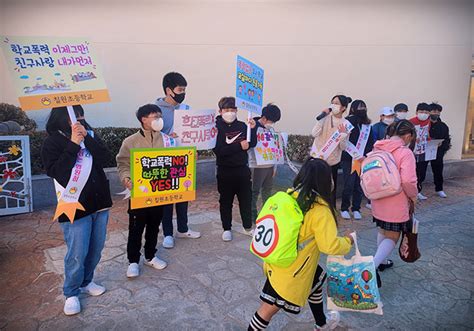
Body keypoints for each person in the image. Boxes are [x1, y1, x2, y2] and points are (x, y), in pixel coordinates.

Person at [248, 158, 354, 331]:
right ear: (324, 181)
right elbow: (330, 246)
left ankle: (321, 323)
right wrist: (348, 241)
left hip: (280, 261)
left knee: (317, 279)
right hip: (291, 271)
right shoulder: (320, 210)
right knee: (267, 310)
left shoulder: (289, 196)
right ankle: (321, 323)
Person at [41, 105, 112, 316]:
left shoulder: (89, 134)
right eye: (76, 116)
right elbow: (58, 173)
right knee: (77, 253)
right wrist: (74, 143)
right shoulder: (52, 142)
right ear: (63, 118)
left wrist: (86, 139)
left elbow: (105, 157)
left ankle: (86, 281)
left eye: (82, 115)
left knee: (96, 248)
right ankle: (71, 292)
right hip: (74, 206)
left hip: (99, 202)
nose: (81, 119)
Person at [116, 104, 168, 278]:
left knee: (154, 225)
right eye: (155, 116)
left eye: (160, 116)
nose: (158, 119)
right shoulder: (130, 141)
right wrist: (126, 178)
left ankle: (150, 255)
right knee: (136, 227)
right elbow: (123, 163)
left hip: (159, 193)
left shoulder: (167, 139)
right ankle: (133, 261)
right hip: (138, 193)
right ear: (143, 119)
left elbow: (179, 159)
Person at [155, 72, 200, 249]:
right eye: (180, 89)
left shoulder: (186, 109)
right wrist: (167, 137)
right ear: (169, 90)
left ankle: (183, 228)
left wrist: (194, 150)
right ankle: (167, 233)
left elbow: (192, 134)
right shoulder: (155, 110)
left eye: (184, 90)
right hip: (165, 160)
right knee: (167, 199)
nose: (183, 93)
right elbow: (150, 136)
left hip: (184, 159)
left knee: (183, 196)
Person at [371, 120, 418, 287]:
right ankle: (372, 267)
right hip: (396, 202)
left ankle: (382, 261)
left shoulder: (378, 147)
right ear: (407, 135)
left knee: (383, 230)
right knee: (393, 236)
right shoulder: (405, 153)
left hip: (377, 198)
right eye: (410, 138)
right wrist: (414, 196)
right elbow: (408, 181)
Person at [213, 96, 257, 241]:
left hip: (242, 170)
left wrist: (253, 129)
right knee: (225, 201)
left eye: (233, 109)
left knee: (246, 199)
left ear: (237, 111)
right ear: (220, 111)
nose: (230, 112)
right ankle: (226, 228)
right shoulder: (215, 128)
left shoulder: (243, 126)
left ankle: (247, 227)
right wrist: (238, 146)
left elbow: (251, 143)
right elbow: (219, 150)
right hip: (225, 170)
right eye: (226, 109)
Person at [311, 95, 352, 206]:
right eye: (332, 102)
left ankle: (330, 211)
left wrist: (343, 136)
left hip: (333, 161)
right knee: (314, 186)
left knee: (331, 188)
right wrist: (322, 118)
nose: (333, 105)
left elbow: (343, 147)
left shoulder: (346, 124)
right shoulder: (325, 118)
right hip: (318, 158)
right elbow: (314, 133)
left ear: (343, 108)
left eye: (336, 103)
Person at [340, 100, 374, 220]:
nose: (362, 109)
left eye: (363, 107)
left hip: (361, 159)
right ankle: (344, 208)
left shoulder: (367, 125)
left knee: (358, 185)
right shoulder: (348, 121)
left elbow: (370, 142)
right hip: (348, 158)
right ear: (353, 109)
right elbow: (343, 139)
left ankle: (356, 208)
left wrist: (366, 155)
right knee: (348, 184)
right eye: (359, 107)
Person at [248, 103, 282, 223]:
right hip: (256, 166)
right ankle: (252, 216)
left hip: (270, 165)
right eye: (271, 121)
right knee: (254, 192)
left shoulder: (270, 130)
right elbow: (250, 145)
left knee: (267, 190)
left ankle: (266, 214)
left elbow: (275, 148)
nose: (272, 124)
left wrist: (275, 166)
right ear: (264, 118)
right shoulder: (253, 127)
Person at [409, 103, 431, 200]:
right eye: (421, 112)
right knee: (412, 172)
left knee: (421, 172)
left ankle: (418, 191)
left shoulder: (428, 122)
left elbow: (428, 135)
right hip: (412, 151)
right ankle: (410, 192)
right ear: (417, 112)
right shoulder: (411, 122)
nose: (423, 114)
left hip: (423, 151)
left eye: (426, 112)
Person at [428, 102, 450, 198]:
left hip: (438, 152)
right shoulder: (424, 124)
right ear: (429, 112)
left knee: (438, 171)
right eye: (433, 111)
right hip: (424, 151)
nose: (436, 113)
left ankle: (439, 189)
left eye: (438, 112)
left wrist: (442, 148)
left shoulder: (443, 126)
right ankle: (418, 190)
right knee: (420, 171)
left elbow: (447, 139)